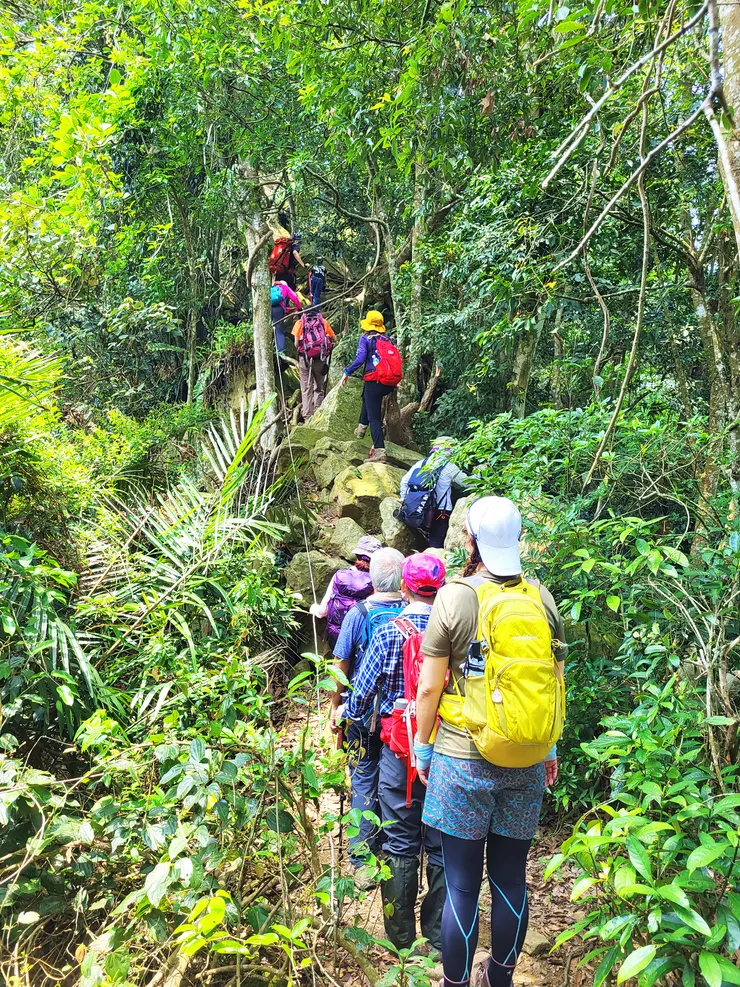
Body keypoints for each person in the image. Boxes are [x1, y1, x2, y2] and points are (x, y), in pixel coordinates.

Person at [413, 497, 566, 987]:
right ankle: (499, 978)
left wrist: (422, 745)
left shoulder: (456, 597)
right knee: (510, 880)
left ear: (470, 540)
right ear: (518, 539)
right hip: (525, 759)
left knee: (461, 885)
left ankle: (455, 983)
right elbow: (555, 683)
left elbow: (429, 686)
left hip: (463, 758)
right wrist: (550, 749)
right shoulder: (542, 599)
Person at [346, 553, 448, 951]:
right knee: (440, 840)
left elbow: (359, 698)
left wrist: (348, 713)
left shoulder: (390, 632)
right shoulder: (459, 635)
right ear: (440, 591)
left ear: (404, 588)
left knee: (400, 842)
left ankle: (401, 939)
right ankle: (439, 937)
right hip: (447, 751)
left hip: (399, 752)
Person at [330, 547, 405, 872]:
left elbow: (341, 665)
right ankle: (392, 854)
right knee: (393, 784)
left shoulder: (358, 614)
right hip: (400, 718)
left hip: (362, 715)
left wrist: (336, 709)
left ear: (371, 578)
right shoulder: (411, 612)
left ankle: (362, 862)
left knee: (362, 780)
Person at [339, 310, 402, 464]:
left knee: (374, 418)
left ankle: (380, 451)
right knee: (367, 397)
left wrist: (347, 372)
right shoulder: (389, 340)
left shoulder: (366, 339)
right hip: (388, 383)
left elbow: (360, 359)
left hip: (374, 380)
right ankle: (361, 427)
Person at [309, 535, 381, 650]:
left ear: (357, 555)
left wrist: (314, 608)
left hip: (337, 637)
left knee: (338, 667)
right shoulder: (378, 582)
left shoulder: (340, 575)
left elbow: (323, 611)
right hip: (362, 641)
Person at [399, 437, 472, 549]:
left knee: (423, 544)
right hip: (442, 512)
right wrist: (480, 474)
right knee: (436, 545)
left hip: (421, 508)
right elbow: (467, 483)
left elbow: (404, 481)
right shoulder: (449, 466)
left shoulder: (421, 463)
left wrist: (403, 498)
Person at [292, 308, 335, 420]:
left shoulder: (300, 323)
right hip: (320, 358)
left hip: (305, 358)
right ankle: (318, 413)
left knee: (306, 387)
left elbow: (296, 344)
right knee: (319, 387)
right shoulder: (323, 322)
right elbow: (333, 338)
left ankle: (307, 415)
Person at [270, 279, 301, 359]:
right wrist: (299, 308)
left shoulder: (271, 288)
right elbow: (294, 298)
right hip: (278, 311)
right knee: (279, 331)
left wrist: (289, 310)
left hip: (268, 309)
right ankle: (280, 353)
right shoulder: (285, 288)